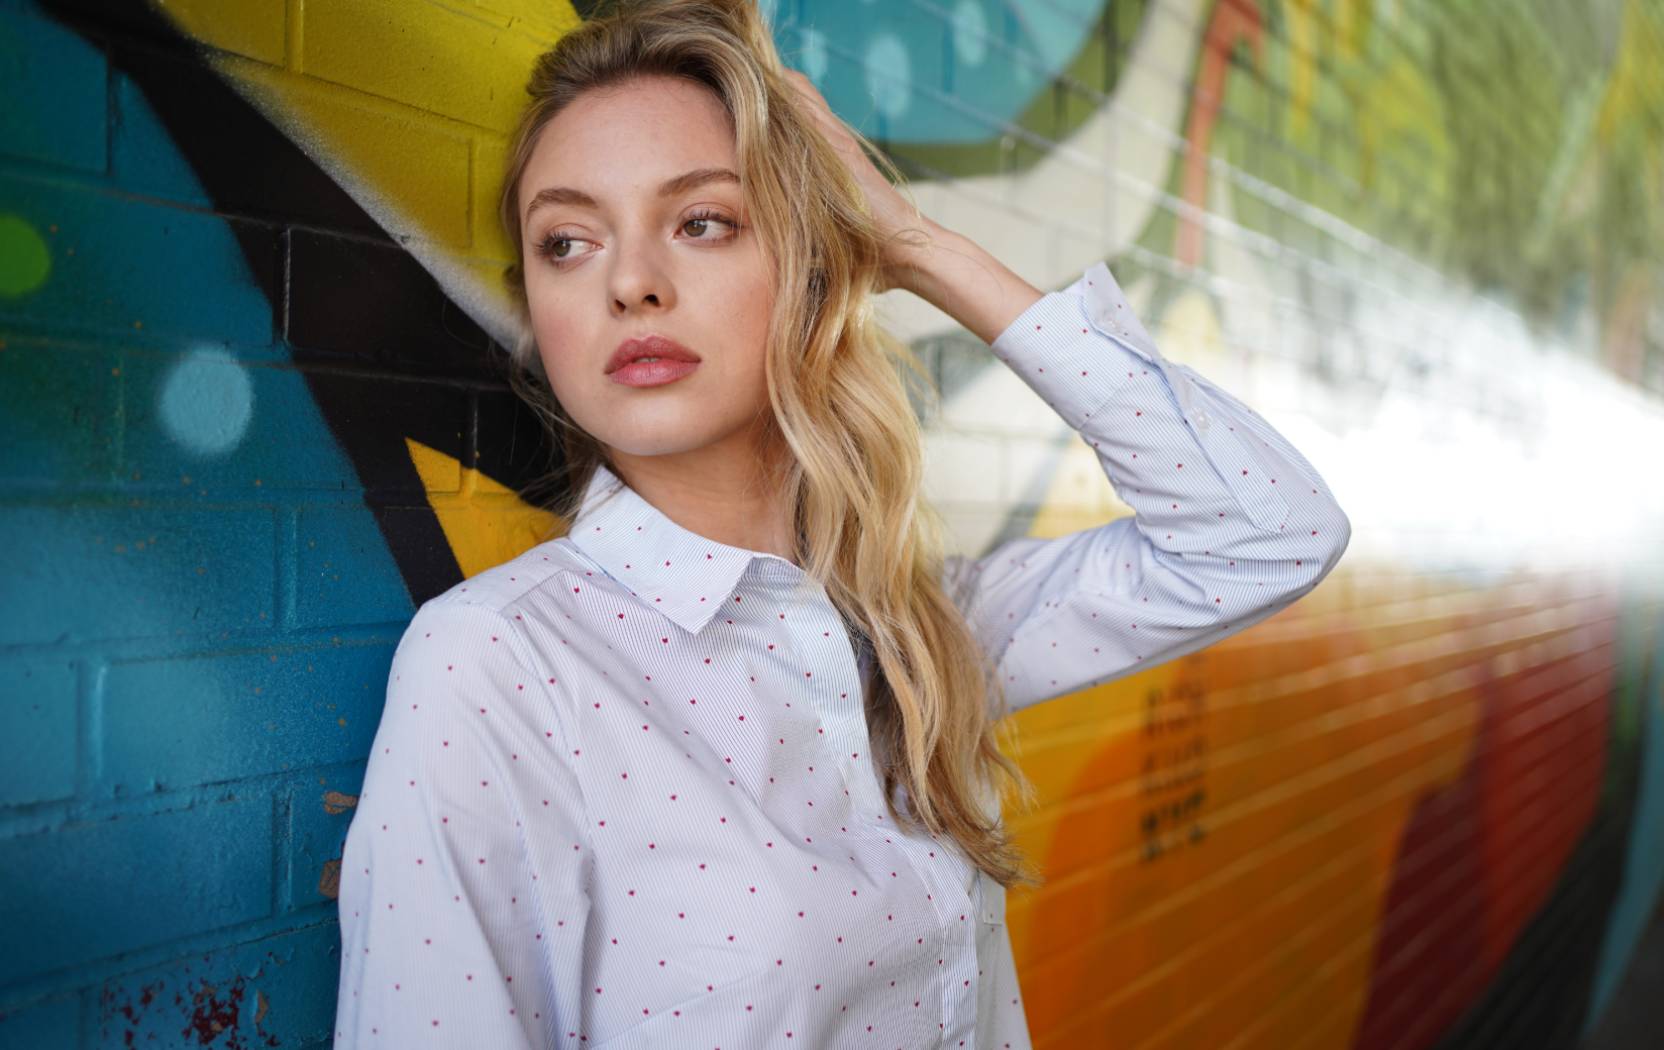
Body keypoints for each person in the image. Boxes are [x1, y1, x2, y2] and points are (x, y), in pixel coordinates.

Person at [331, 0, 1351, 1046]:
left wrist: (914, 246)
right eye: (567, 242)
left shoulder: (916, 630)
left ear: (812, 267)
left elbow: (1266, 532)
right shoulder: (499, 668)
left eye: (702, 222)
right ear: (536, 310)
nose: (630, 282)